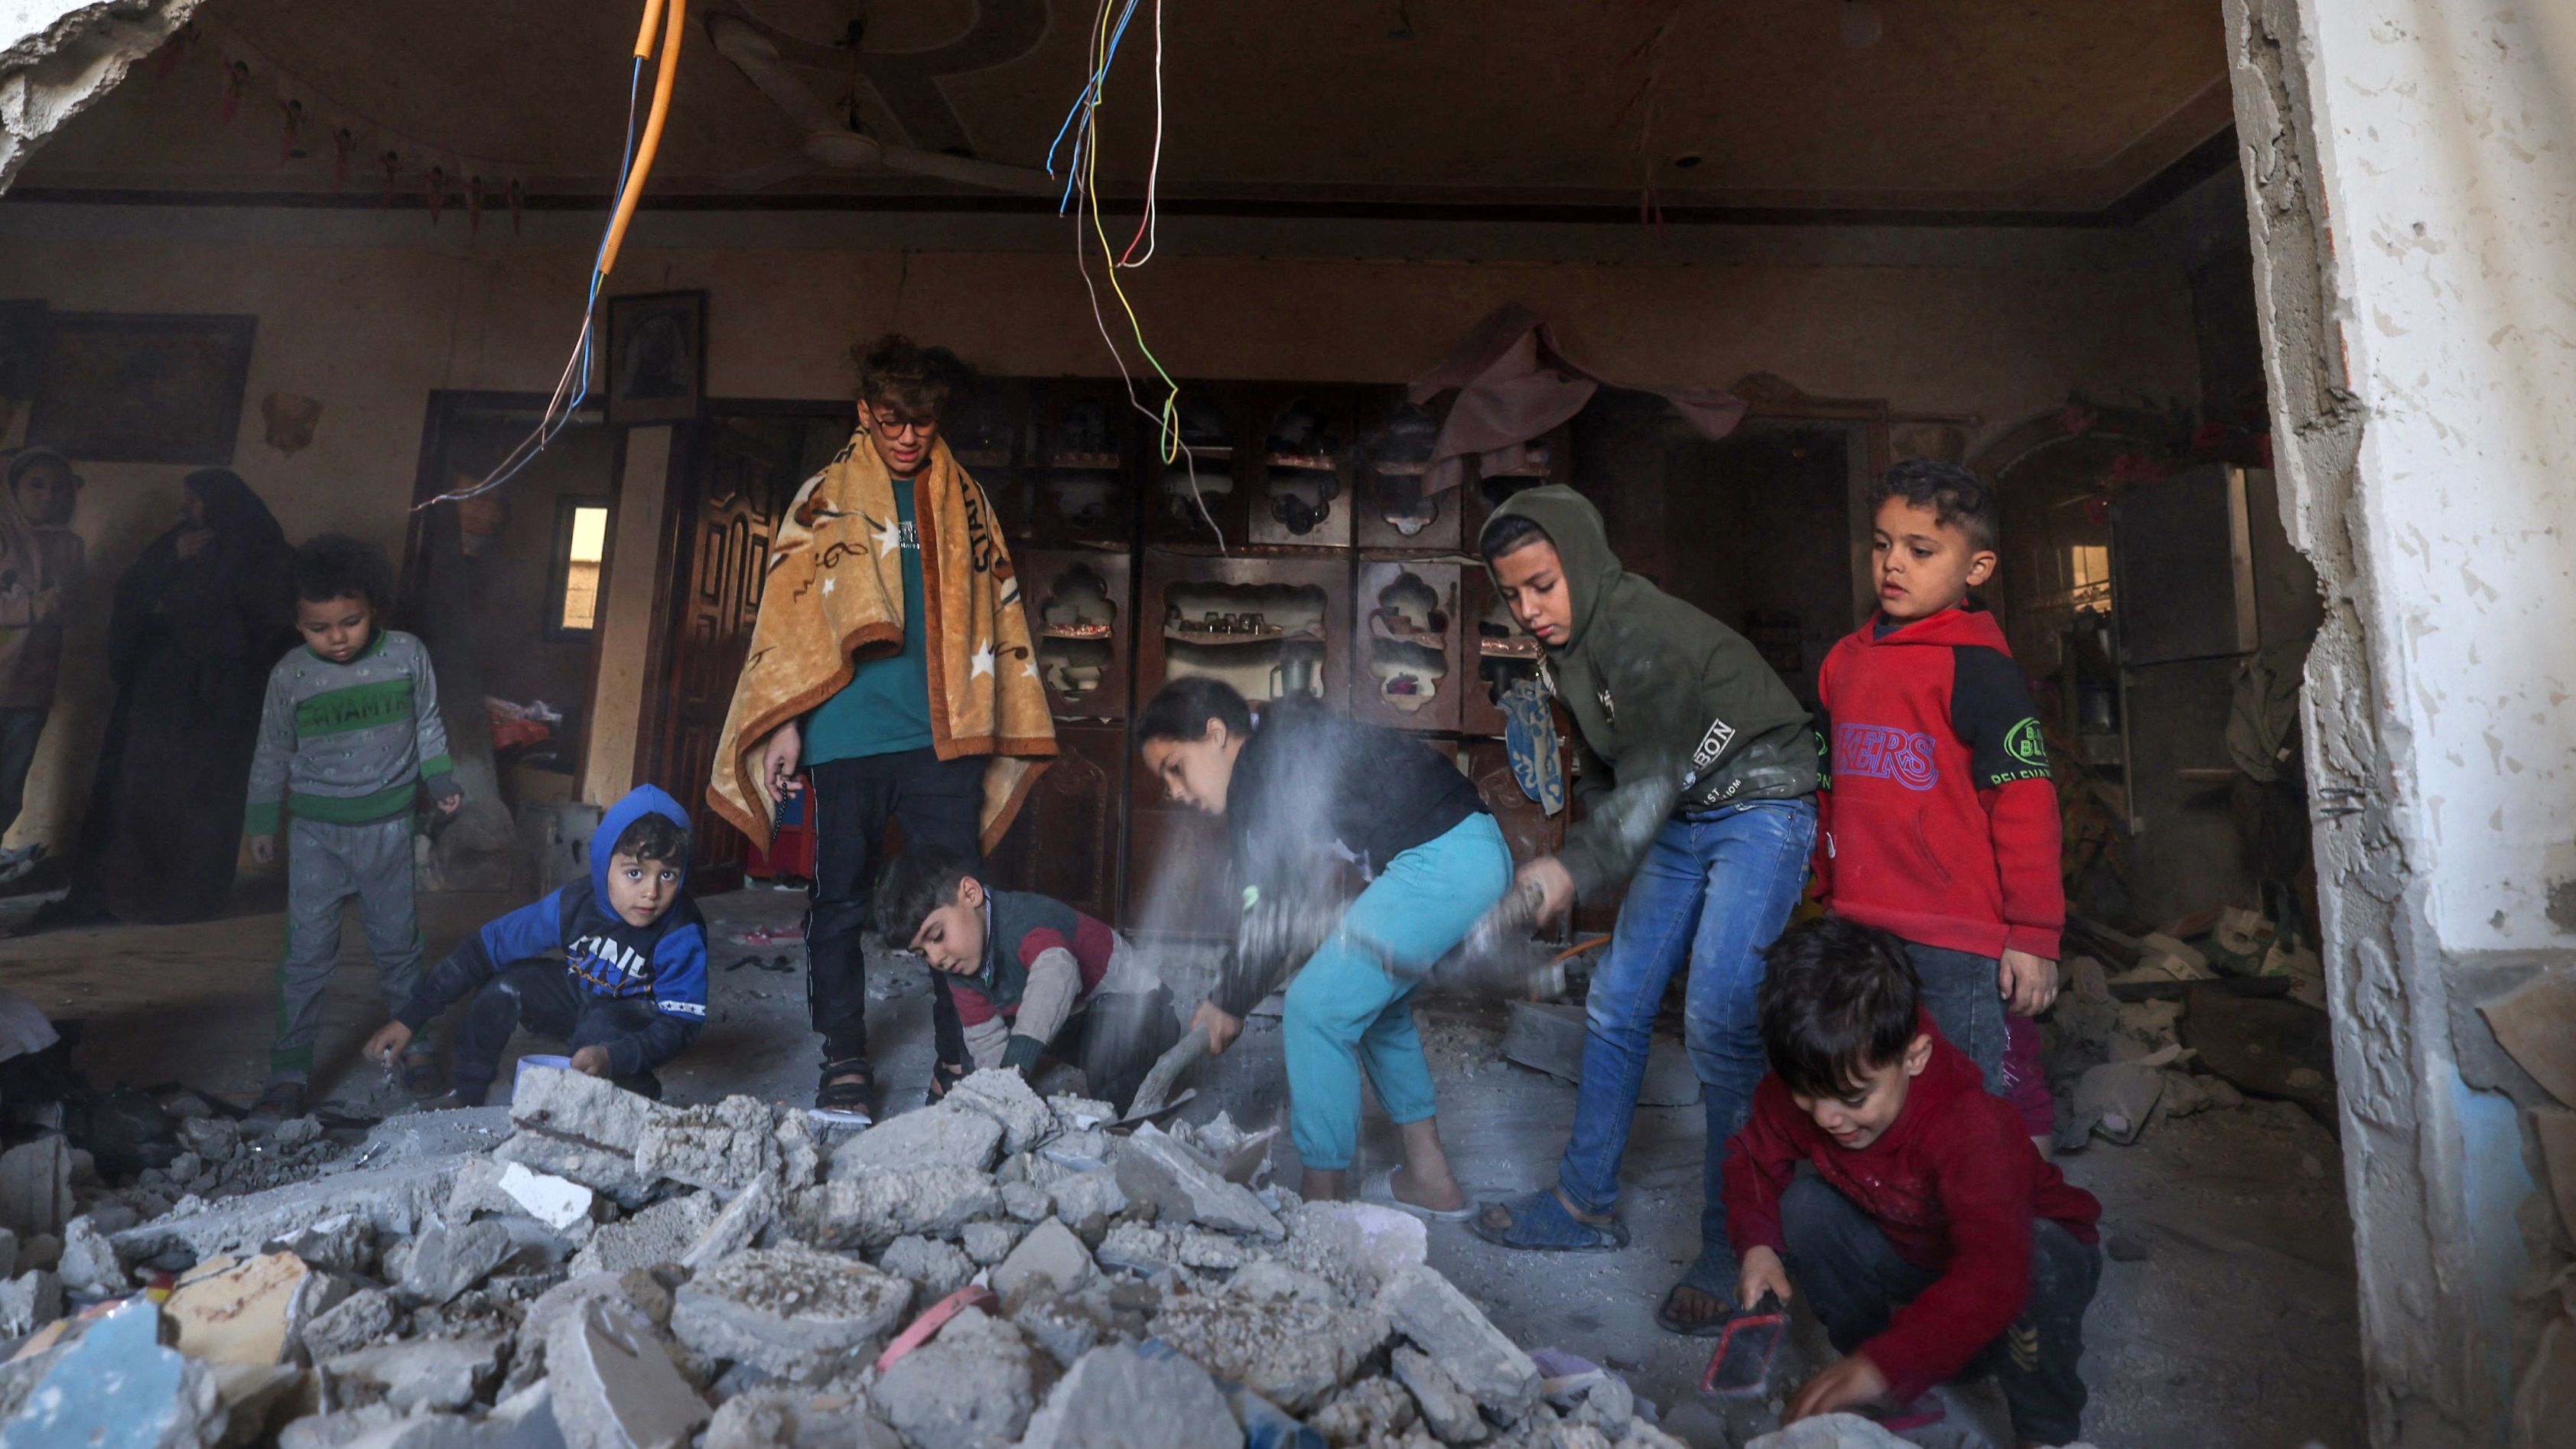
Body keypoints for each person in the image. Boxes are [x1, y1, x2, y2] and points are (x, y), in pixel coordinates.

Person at [1466, 486, 1820, 1335]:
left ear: (1580, 564)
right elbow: (1603, 768)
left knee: (1719, 1019)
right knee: (1617, 999)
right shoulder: (1564, 650)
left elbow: (1653, 778)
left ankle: (1734, 1244)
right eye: (1512, 594)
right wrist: (1585, 842)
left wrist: (1570, 866)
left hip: (1758, 797)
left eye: (1543, 585)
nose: (1529, 609)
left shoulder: (1640, 633)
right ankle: (1583, 1202)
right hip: (1681, 808)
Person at [707, 335, 1055, 1123]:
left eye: (922, 422)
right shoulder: (823, 496)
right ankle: (843, 1056)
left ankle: (956, 1054)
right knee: (837, 903)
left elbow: (996, 611)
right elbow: (791, 622)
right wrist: (789, 723)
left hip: (945, 741)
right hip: (845, 740)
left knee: (961, 902)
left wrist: (998, 720)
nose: (907, 436)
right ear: (864, 413)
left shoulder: (965, 501)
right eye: (892, 419)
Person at [1722, 917, 2103, 1444]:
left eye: (1854, 1099)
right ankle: (1887, 1386)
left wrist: (1888, 1363)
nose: (1829, 1118)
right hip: (1922, 1257)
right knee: (1806, 1208)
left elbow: (1996, 1271)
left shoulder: (1970, 1124)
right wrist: (1757, 1244)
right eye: (1810, 1099)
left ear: (1915, 1056)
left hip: (2020, 1260)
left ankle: (2047, 1432)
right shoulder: (1814, 1077)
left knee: (2039, 1264)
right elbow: (1752, 1161)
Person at [1138, 676, 1508, 1216]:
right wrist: (1235, 989)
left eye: (1175, 767)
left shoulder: (1261, 770)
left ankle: (1322, 1207)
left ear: (1217, 734)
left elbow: (1269, 911)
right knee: (1376, 1006)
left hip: (1441, 862)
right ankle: (1430, 1178)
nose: (1173, 791)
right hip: (1468, 850)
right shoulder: (1278, 751)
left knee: (1314, 1007)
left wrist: (1228, 1001)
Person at [1813, 460, 2062, 1143]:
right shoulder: (1844, 661)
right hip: (1859, 922)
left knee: (1963, 1102)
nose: (1894, 564)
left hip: (1956, 935)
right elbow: (1830, 788)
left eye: (1921, 551)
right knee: (1868, 1092)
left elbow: (2027, 803)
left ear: (1977, 568)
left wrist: (2034, 935)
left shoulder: (1980, 669)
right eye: (1883, 543)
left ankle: (1988, 1233)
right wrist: (1826, 884)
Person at [244, 536, 463, 1117]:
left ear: (375, 609)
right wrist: (263, 821)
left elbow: (429, 725)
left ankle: (415, 1044)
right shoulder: (289, 677)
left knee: (398, 947)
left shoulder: (408, 656)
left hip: (388, 829)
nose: (337, 638)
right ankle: (288, 1073)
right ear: (296, 621)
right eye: (319, 628)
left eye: (351, 621)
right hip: (316, 834)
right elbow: (271, 751)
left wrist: (440, 781)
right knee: (307, 956)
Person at [25, 468, 294, 931]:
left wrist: (191, 619)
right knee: (139, 794)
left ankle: (187, 896)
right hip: (159, 698)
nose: (185, 510)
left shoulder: (263, 550)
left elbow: (267, 625)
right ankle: (132, 892)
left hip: (221, 701)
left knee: (202, 798)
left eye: (193, 502)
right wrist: (169, 560)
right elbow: (132, 593)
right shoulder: (179, 541)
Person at [363, 786, 707, 1105]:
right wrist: (411, 1017)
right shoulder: (575, 903)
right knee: (504, 986)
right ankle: (466, 1095)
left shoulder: (681, 931)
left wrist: (613, 1056)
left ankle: (637, 1096)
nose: (651, 892)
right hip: (581, 993)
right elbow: (487, 947)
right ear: (604, 864)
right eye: (635, 873)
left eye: (667, 875)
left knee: (596, 1036)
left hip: (636, 1018)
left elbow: (680, 1025)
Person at [874, 840, 1177, 1108]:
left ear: (971, 893)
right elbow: (985, 1037)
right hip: (1075, 1018)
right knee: (977, 1058)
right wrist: (1003, 1090)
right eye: (922, 953)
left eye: (937, 935)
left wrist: (1016, 1064)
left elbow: (1058, 976)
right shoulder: (960, 961)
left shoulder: (1027, 921)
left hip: (1138, 1010)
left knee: (1110, 1065)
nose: (936, 957)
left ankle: (1130, 1108)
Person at [0, 448, 86, 883]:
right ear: (13, 487)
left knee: (7, 792)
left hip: (30, 687)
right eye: (35, 485)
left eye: (57, 487)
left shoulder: (69, 545)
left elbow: (71, 608)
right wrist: (31, 608)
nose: (47, 496)